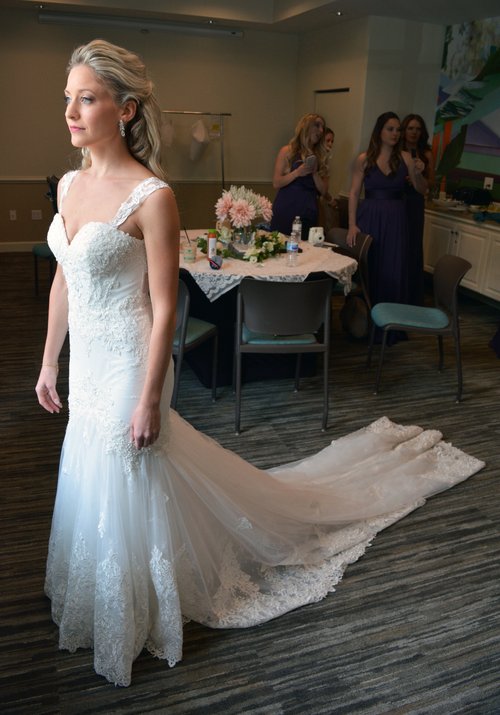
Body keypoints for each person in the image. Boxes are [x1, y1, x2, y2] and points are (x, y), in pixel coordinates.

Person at [35, 42, 484, 687]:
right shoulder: (70, 185)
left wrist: (149, 396)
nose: (71, 112)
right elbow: (64, 281)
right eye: (68, 98)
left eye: (86, 98)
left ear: (125, 109)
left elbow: (165, 308)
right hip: (87, 362)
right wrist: (49, 362)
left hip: (132, 363)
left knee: (128, 472)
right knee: (92, 470)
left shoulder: (151, 196)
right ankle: (101, 595)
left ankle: (135, 611)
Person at [347, 111, 427, 343]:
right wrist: (352, 225)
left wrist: (418, 173)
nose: (395, 133)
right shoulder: (364, 159)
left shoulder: (406, 158)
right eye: (390, 129)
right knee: (371, 268)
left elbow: (421, 189)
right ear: (379, 131)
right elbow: (354, 193)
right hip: (370, 217)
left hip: (396, 219)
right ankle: (365, 324)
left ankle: (392, 325)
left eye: (398, 130)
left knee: (393, 268)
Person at [270, 113, 329, 239]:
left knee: (306, 247)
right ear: (306, 127)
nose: (321, 130)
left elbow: (324, 191)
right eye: (317, 125)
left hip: (309, 209)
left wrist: (314, 173)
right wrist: (297, 173)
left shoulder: (321, 156)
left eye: (322, 127)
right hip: (287, 206)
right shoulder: (287, 151)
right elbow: (276, 182)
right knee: (281, 243)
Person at [401, 114, 435, 305]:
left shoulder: (426, 154)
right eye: (410, 128)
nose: (414, 132)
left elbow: (431, 183)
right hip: (399, 199)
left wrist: (418, 175)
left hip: (415, 201)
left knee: (413, 245)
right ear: (404, 130)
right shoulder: (397, 150)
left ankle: (412, 294)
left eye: (418, 129)